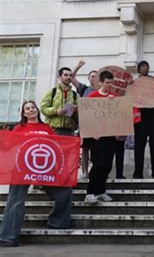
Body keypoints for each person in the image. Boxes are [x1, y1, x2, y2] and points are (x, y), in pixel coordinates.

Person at [0, 101, 74, 247]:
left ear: (37, 110)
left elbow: (56, 145)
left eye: (33, 107)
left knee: (64, 192)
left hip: (45, 169)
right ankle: (8, 237)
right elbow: (10, 145)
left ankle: (57, 222)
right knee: (15, 201)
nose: (31, 109)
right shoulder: (19, 128)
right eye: (27, 108)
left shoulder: (46, 128)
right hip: (22, 168)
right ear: (24, 113)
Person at [84, 71, 117, 204]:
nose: (110, 85)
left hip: (110, 136)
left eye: (111, 82)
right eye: (107, 82)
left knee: (107, 165)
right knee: (98, 164)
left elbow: (119, 116)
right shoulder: (92, 97)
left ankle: (100, 191)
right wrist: (92, 133)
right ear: (101, 82)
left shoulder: (114, 97)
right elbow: (87, 117)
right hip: (96, 137)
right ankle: (90, 193)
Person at [132, 60, 154, 179]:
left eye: (147, 66)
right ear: (139, 70)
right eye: (142, 67)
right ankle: (138, 173)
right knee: (139, 147)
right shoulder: (134, 83)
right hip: (141, 118)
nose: (145, 68)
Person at [70, 60, 97, 180]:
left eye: (96, 76)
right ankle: (85, 171)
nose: (94, 78)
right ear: (88, 78)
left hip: (99, 125)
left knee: (97, 148)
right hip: (86, 123)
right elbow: (71, 77)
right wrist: (78, 66)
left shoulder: (104, 90)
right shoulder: (84, 89)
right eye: (92, 76)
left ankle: (95, 172)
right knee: (85, 148)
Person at [40, 67, 78, 136]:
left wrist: (76, 111)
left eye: (70, 75)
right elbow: (43, 108)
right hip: (53, 130)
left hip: (69, 131)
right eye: (66, 75)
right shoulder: (52, 92)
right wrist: (56, 111)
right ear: (60, 77)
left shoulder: (75, 94)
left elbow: (79, 114)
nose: (68, 77)